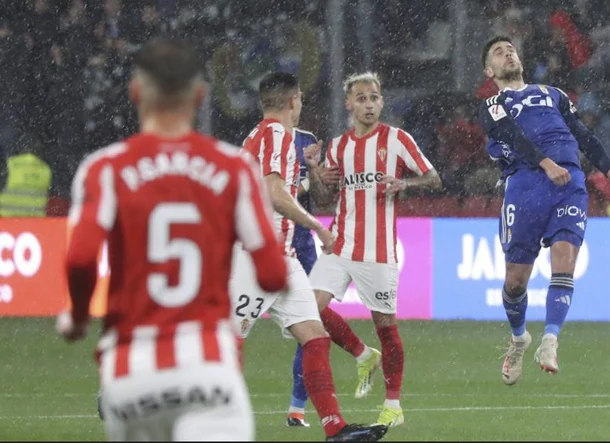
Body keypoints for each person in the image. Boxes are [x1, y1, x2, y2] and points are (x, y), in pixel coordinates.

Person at [56, 37, 289, 441]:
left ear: (135, 93)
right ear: (199, 95)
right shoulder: (233, 169)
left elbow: (79, 260)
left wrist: (76, 318)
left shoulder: (104, 168)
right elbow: (271, 272)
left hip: (132, 375)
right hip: (208, 370)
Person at [229, 72, 387, 442]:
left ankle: (335, 429)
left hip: (281, 258)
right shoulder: (277, 136)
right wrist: (319, 227)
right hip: (255, 257)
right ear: (293, 101)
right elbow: (273, 192)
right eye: (300, 100)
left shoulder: (257, 136)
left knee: (315, 336)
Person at [477, 36, 610, 385]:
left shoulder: (553, 93)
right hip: (526, 184)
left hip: (569, 180)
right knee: (516, 281)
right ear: (490, 70)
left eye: (511, 48)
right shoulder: (492, 104)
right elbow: (512, 137)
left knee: (565, 260)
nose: (508, 53)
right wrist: (545, 163)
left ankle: (550, 340)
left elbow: (582, 133)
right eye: (499, 53)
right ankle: (519, 338)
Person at [309, 72, 442, 429]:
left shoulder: (397, 139)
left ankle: (393, 404)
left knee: (385, 325)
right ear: (348, 104)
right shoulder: (338, 146)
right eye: (362, 98)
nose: (369, 104)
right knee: (309, 310)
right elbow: (324, 199)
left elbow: (434, 178)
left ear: (382, 102)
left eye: (374, 98)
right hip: (340, 244)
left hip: (378, 251)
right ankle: (362, 354)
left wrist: (404, 183)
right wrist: (317, 174)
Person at [285, 127, 340, 428]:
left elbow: (321, 200)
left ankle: (297, 408)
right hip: (263, 247)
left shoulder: (306, 139)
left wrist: (314, 169)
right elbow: (270, 194)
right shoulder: (259, 139)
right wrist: (305, 178)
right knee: (235, 329)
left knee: (313, 327)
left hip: (302, 249)